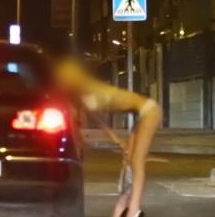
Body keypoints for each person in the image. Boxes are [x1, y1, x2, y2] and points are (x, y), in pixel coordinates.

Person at [54, 58, 162, 217]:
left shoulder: (92, 88)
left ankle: (134, 210)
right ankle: (120, 209)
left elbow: (104, 109)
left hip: (149, 110)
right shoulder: (81, 98)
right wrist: (117, 140)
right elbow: (100, 122)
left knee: (136, 161)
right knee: (128, 161)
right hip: (140, 115)